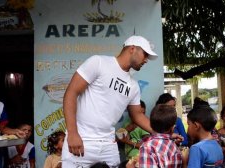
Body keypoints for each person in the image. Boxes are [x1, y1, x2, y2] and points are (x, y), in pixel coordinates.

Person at [62, 35, 159, 167]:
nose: (146, 60)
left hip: (108, 146)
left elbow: (137, 115)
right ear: (132, 48)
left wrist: (162, 133)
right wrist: (72, 133)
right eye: (145, 54)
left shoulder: (133, 86)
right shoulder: (98, 62)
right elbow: (71, 93)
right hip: (82, 140)